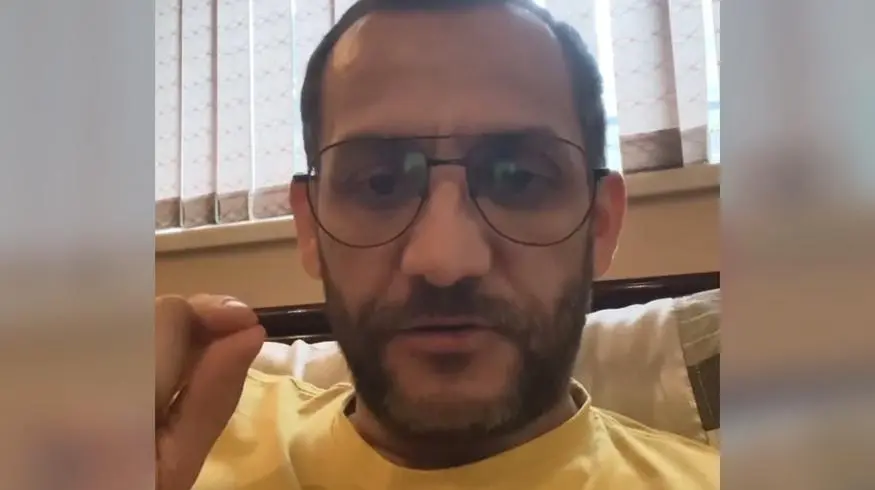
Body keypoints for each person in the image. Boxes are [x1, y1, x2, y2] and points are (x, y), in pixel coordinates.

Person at [155, 0, 720, 489]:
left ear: (601, 223)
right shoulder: (172, 440)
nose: (444, 261)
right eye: (380, 184)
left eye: (519, 179)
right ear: (309, 226)